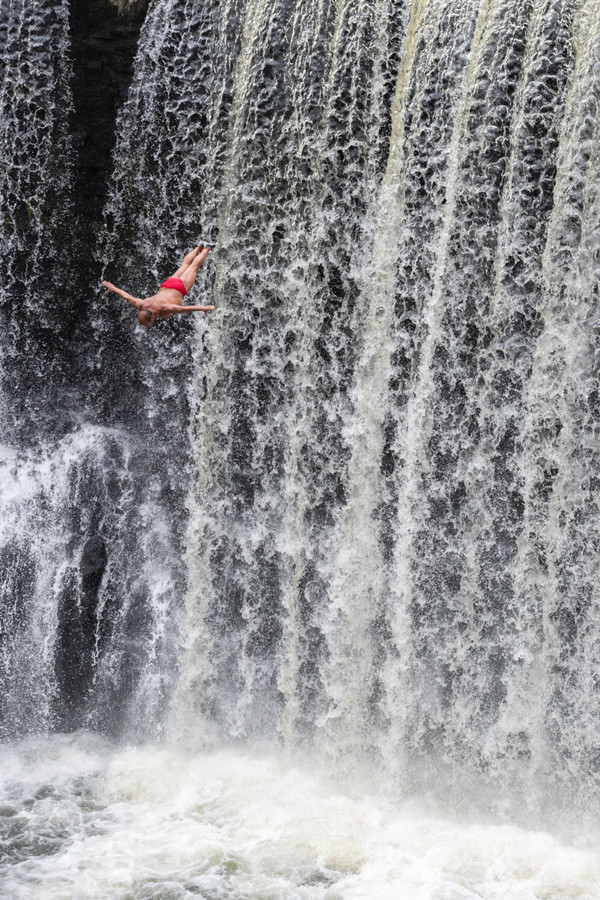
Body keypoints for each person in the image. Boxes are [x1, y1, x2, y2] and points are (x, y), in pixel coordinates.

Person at [103, 245, 215, 327]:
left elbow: (184, 309)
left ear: (151, 317)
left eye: (148, 323)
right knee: (184, 265)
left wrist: (203, 308)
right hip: (167, 285)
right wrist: (114, 289)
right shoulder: (142, 305)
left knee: (194, 266)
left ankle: (206, 248)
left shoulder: (164, 309)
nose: (148, 326)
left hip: (178, 288)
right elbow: (127, 297)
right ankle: (198, 247)